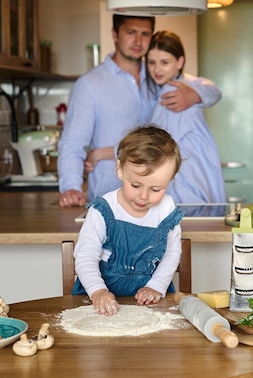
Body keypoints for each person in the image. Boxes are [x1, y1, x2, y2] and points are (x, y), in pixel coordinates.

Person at [57, 14, 221, 208]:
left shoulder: (157, 74)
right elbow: (72, 144)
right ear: (115, 35)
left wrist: (195, 95)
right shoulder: (90, 84)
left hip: (155, 201)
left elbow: (212, 90)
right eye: (131, 33)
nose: (138, 41)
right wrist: (71, 187)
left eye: (145, 34)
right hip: (110, 199)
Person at [72, 126, 183, 316]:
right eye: (136, 185)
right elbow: (85, 256)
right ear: (120, 170)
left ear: (170, 180)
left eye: (156, 189)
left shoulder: (166, 209)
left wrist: (156, 287)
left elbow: (172, 253)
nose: (144, 196)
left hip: (150, 299)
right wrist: (98, 291)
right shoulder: (103, 210)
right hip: (96, 299)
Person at [146, 30, 226, 204]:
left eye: (164, 62)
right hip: (199, 178)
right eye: (151, 62)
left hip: (187, 182)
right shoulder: (182, 85)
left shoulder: (174, 92)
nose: (157, 69)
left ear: (180, 62)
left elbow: (153, 144)